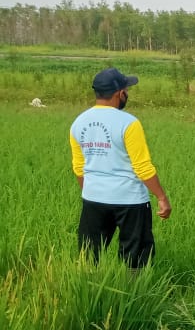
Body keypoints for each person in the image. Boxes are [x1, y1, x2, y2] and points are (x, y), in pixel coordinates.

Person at [69, 67, 172, 268]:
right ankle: (134, 294)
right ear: (119, 94)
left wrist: (92, 192)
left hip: (93, 199)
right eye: (127, 90)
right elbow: (142, 166)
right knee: (136, 258)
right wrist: (161, 198)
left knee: (89, 256)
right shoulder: (129, 123)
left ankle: (87, 294)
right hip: (130, 200)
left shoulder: (78, 122)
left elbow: (79, 167)